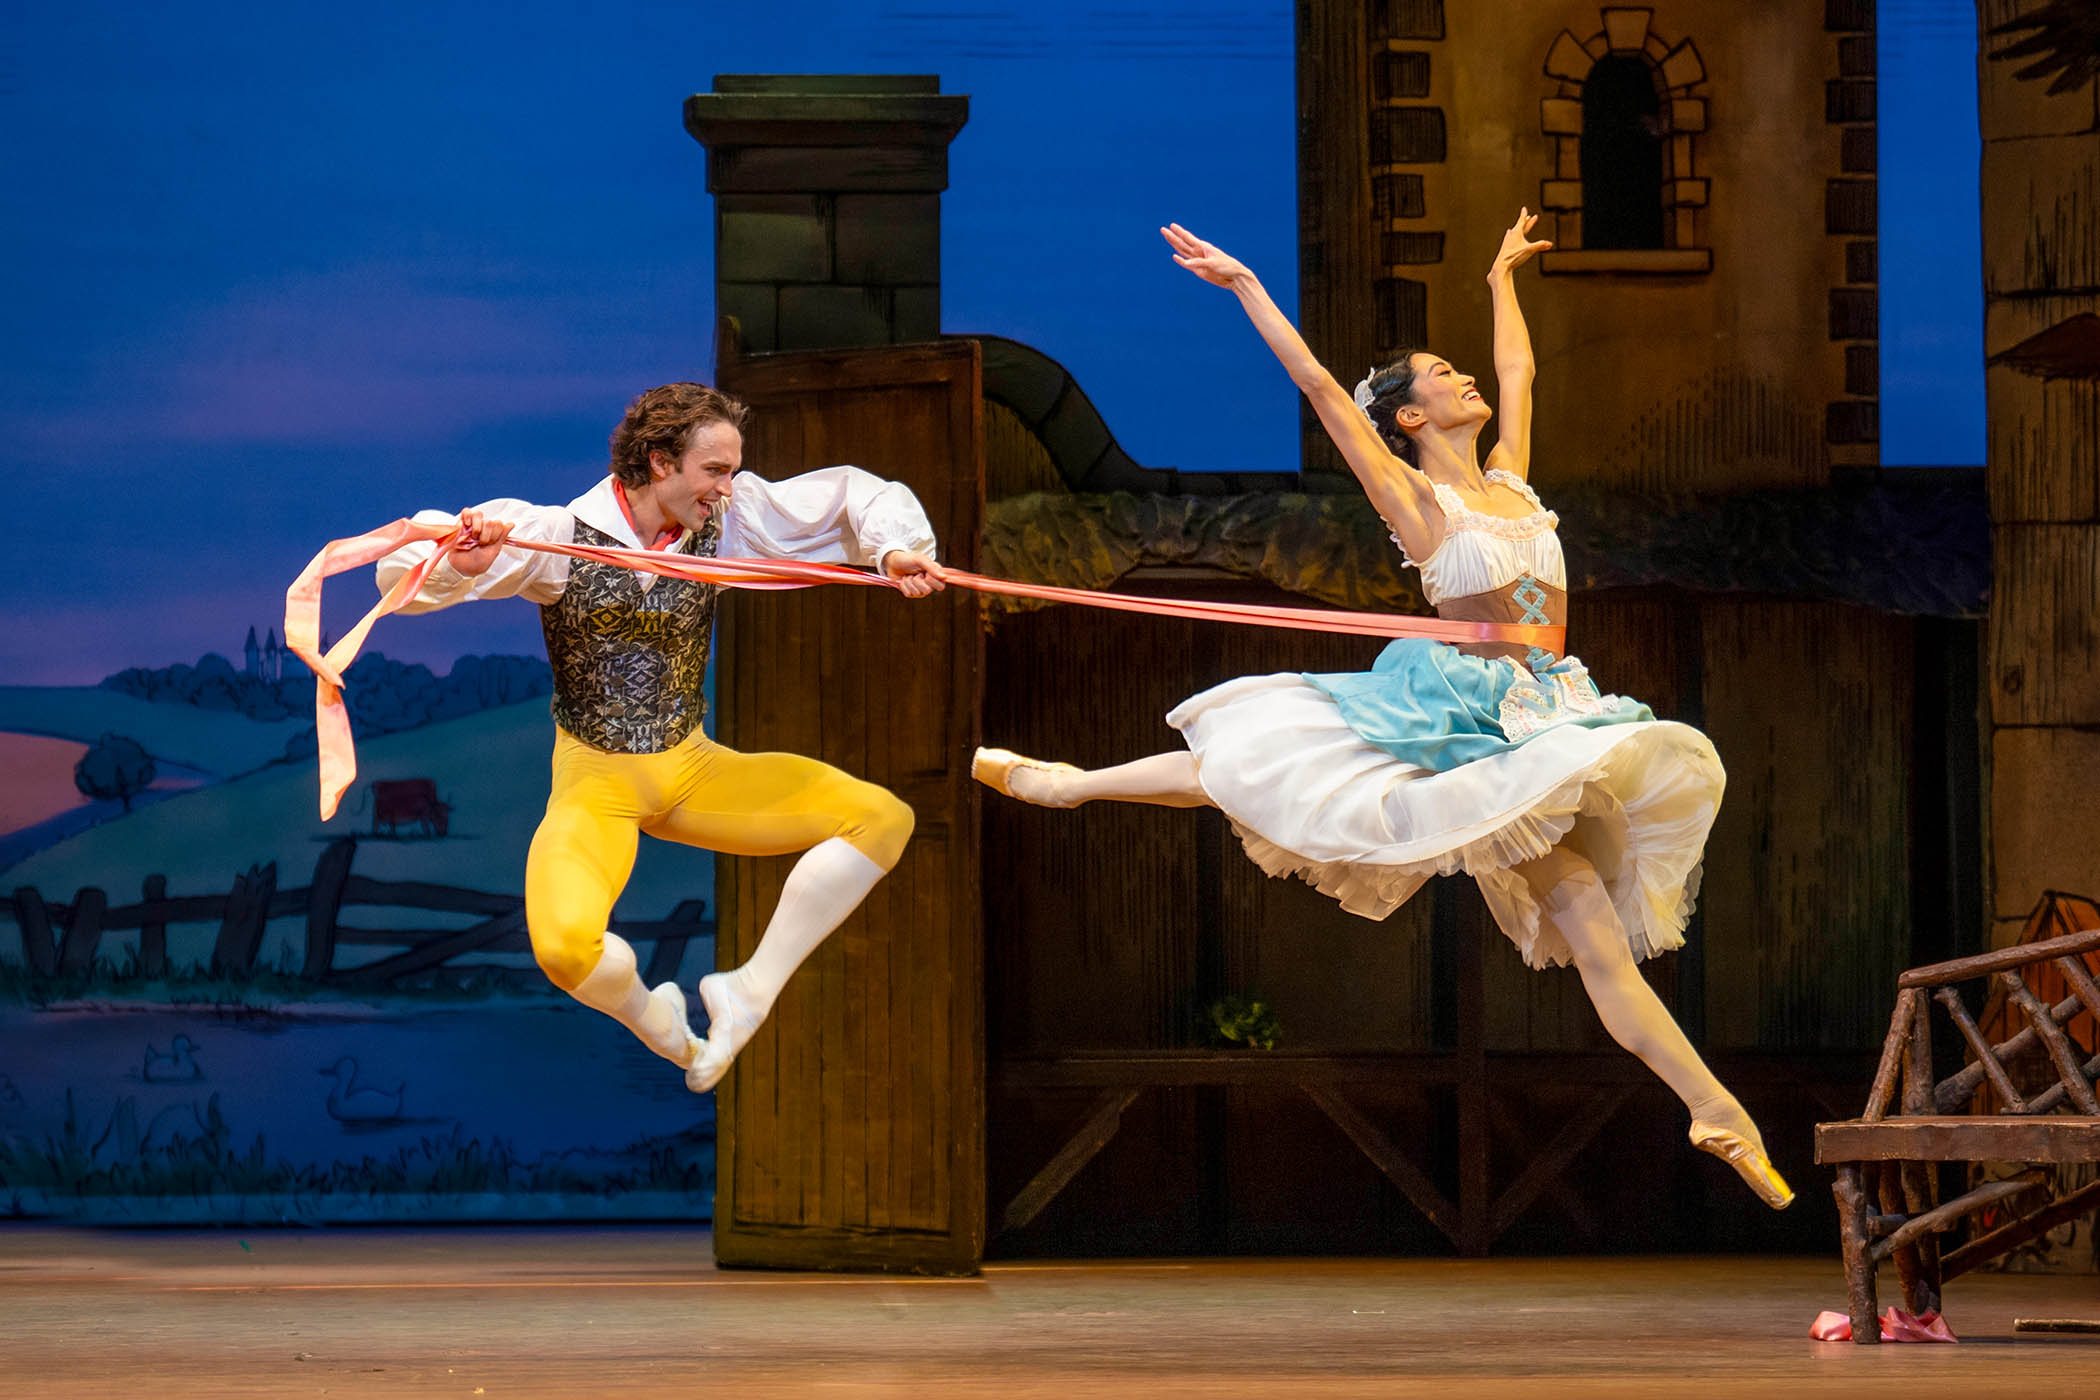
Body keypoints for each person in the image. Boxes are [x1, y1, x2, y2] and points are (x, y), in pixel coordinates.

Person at [973, 214, 1791, 1208]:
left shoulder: (1514, 483)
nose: (1466, 379)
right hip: (1462, 707)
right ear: (1408, 417)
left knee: (1590, 927)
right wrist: (1247, 287)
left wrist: (1501, 280)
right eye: (1443, 374)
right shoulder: (1417, 501)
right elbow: (1321, 388)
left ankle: (1712, 1110)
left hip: (1552, 711)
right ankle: (1069, 784)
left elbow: (1522, 372)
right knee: (1270, 757)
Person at [376, 382, 947, 1093]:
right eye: (715, 470)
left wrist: (894, 552)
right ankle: (661, 1024)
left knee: (883, 819)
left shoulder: (727, 525)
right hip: (597, 789)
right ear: (659, 462)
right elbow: (400, 575)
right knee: (564, 948)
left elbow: (851, 497)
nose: (728, 486)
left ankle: (748, 992)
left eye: (733, 471)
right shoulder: (555, 538)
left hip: (693, 771)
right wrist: (460, 562)